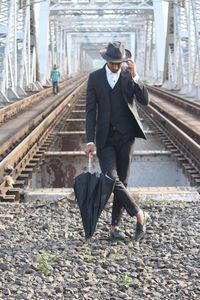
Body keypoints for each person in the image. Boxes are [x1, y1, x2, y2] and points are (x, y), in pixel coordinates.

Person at [85, 41, 150, 242]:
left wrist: (135, 75)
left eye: (119, 63)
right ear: (107, 61)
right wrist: (89, 141)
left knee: (123, 180)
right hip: (105, 139)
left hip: (126, 137)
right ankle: (140, 215)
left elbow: (145, 100)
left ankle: (114, 227)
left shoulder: (127, 76)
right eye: (113, 63)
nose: (116, 66)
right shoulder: (94, 78)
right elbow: (90, 111)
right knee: (111, 178)